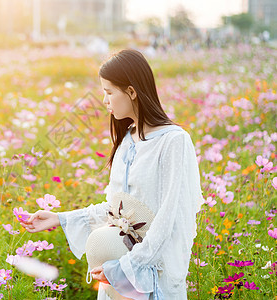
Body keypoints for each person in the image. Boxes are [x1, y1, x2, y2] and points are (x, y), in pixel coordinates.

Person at [21, 49, 204, 300]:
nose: (104, 101)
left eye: (108, 92)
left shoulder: (173, 141)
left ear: (131, 92)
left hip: (149, 277)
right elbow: (115, 210)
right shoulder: (126, 140)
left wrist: (127, 269)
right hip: (115, 280)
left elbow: (168, 219)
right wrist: (59, 218)